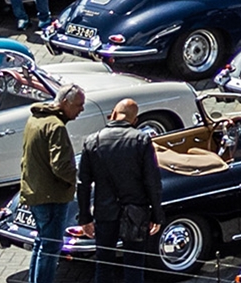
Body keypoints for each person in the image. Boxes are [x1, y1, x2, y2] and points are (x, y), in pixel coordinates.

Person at [77, 99, 163, 283]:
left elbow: (83, 184)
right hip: (136, 213)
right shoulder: (141, 140)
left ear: (113, 114)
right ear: (135, 120)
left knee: (104, 265)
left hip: (105, 212)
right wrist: (157, 214)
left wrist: (85, 217)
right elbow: (152, 181)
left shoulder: (92, 141)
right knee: (134, 266)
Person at [22, 85, 84, 283]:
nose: (81, 109)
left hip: (35, 192)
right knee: (51, 247)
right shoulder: (56, 127)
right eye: (78, 105)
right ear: (65, 102)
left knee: (42, 243)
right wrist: (78, 179)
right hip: (51, 197)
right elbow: (61, 166)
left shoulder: (35, 119)